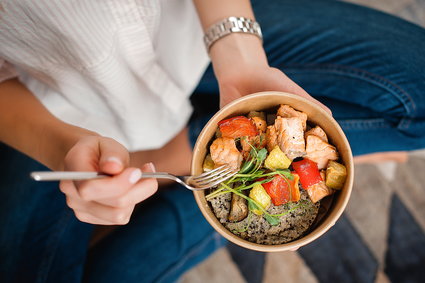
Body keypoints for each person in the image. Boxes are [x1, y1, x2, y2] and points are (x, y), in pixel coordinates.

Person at [0, 0, 424, 282]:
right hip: (60, 106)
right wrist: (61, 148)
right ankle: (198, 188)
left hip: (202, 33)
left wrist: (240, 57)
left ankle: (181, 164)